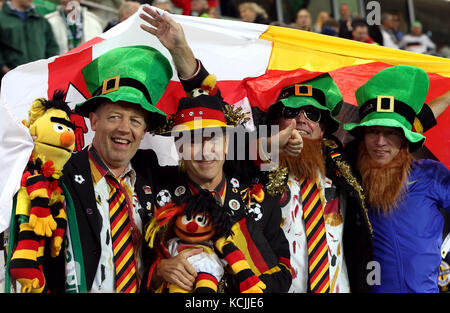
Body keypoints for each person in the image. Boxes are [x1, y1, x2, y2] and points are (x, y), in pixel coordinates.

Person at [145, 84, 292, 293]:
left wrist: (243, 283)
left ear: (227, 142)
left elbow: (284, 273)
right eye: (193, 141)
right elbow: (134, 269)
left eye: (213, 138)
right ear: (178, 147)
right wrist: (159, 272)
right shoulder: (157, 199)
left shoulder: (260, 201)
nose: (205, 151)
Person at [343, 65, 450, 293]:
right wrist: (265, 145)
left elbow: (417, 123)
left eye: (391, 133)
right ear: (363, 135)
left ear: (405, 139)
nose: (380, 141)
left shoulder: (430, 175)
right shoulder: (347, 170)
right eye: (373, 131)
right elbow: (252, 161)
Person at [263, 74, 372, 293]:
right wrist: (268, 146)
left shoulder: (345, 165)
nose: (301, 120)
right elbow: (207, 148)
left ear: (322, 130)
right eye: (292, 112)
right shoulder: (258, 165)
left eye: (312, 114)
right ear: (277, 122)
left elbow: (391, 138)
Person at [0, 0, 59, 79]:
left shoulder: (40, 19)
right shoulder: (2, 20)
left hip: (40, 78)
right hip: (11, 79)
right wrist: (6, 71)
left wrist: (48, 69)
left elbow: (52, 47)